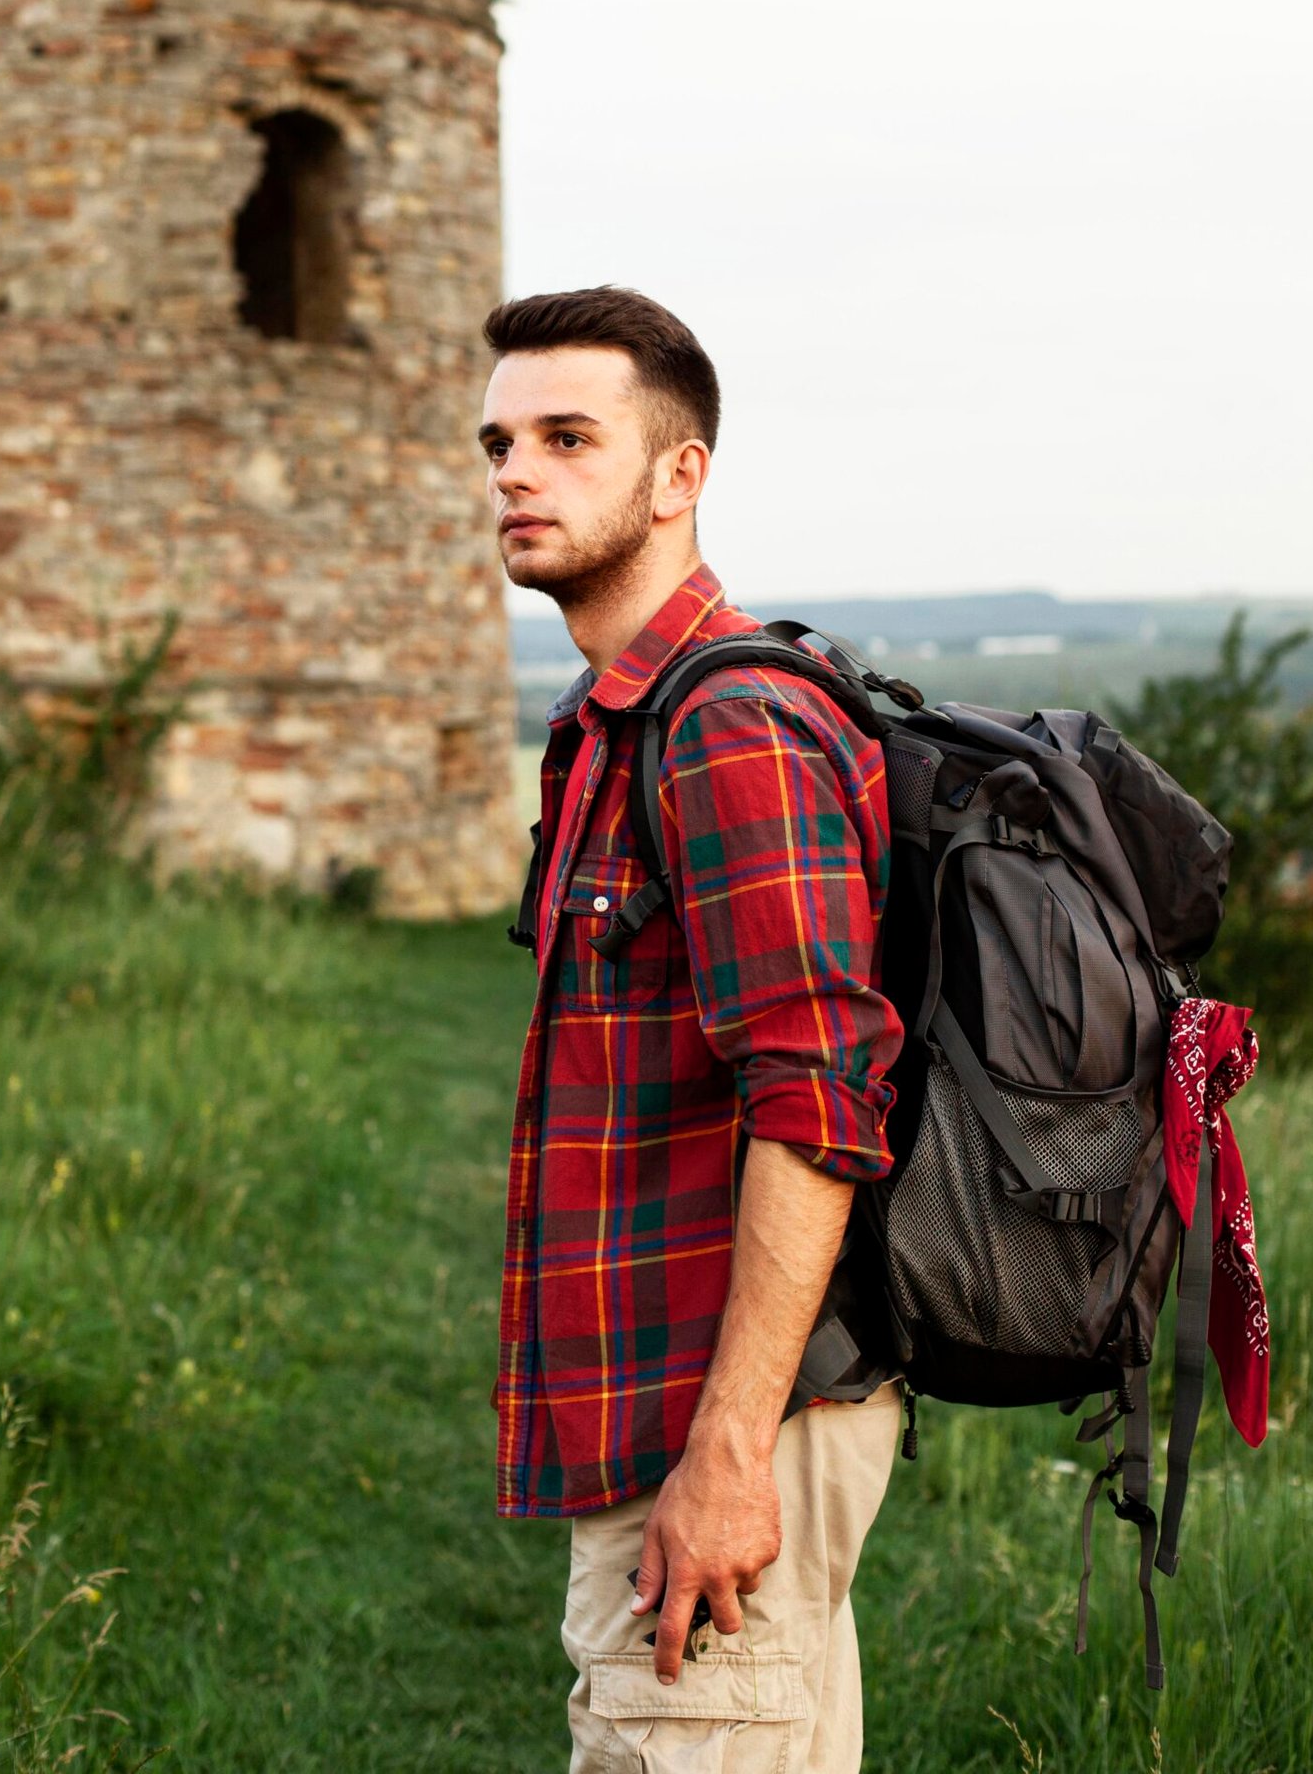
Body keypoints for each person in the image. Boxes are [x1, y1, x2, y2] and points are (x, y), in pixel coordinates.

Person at [479, 285, 905, 1774]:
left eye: (568, 438)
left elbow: (820, 1094)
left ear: (680, 474)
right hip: (658, 1403)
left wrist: (728, 1452)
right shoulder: (617, 720)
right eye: (501, 442)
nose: (515, 474)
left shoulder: (727, 725)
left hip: (725, 1420)